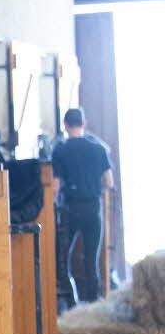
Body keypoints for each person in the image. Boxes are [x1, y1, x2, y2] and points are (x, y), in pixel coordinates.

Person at [52, 107, 113, 305]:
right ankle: (95, 304)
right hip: (93, 207)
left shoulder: (60, 150)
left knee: (63, 259)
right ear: (83, 123)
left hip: (70, 208)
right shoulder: (98, 149)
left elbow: (55, 185)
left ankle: (72, 303)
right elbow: (109, 182)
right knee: (91, 259)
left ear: (65, 125)